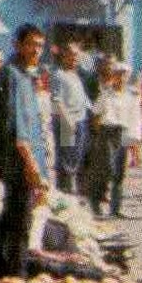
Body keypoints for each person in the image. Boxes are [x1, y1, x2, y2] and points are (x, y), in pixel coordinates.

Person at [0, 25, 51, 277]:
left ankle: (7, 275)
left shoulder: (27, 76)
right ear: (17, 45)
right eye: (31, 44)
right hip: (20, 164)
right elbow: (17, 130)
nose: (36, 50)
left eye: (40, 45)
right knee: (19, 225)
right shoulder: (12, 75)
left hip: (29, 161)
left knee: (17, 221)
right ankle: (14, 278)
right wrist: (32, 166)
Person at [88, 63, 142, 219]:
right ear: (113, 76)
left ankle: (115, 208)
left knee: (119, 172)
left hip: (123, 133)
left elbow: (135, 118)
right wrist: (101, 135)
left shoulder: (131, 96)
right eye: (118, 75)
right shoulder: (105, 94)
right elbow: (96, 116)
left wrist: (135, 139)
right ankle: (95, 203)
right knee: (106, 169)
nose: (121, 78)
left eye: (124, 75)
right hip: (107, 132)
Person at [50, 43, 93, 195]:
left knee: (76, 157)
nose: (75, 58)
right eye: (72, 55)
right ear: (64, 55)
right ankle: (64, 194)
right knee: (66, 161)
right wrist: (67, 120)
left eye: (77, 55)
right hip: (67, 122)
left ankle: (72, 193)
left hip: (80, 120)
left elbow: (83, 100)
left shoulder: (75, 75)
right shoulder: (59, 75)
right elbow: (56, 100)